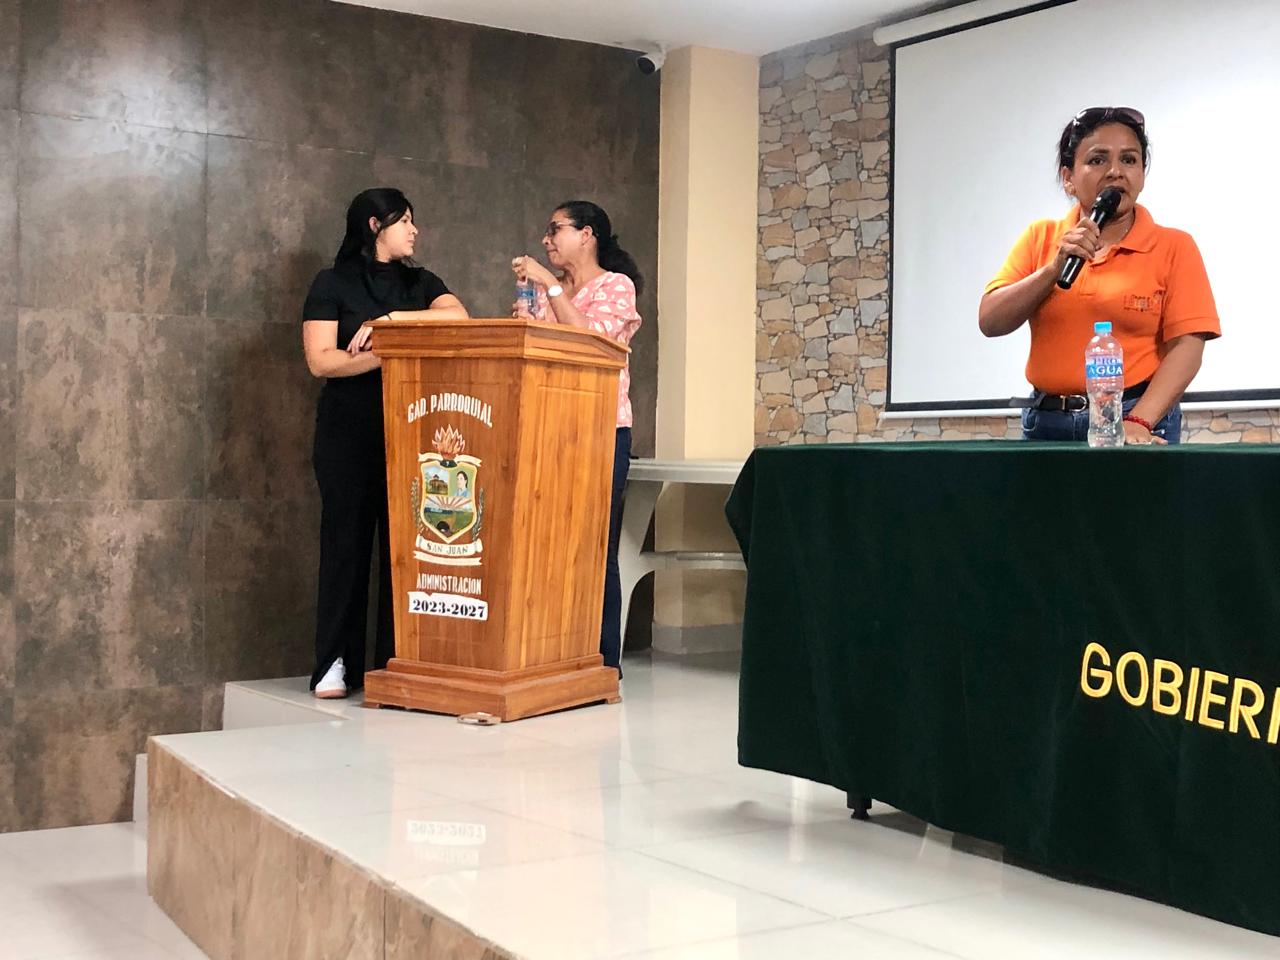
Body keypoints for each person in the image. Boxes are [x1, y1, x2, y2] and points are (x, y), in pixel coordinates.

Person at [301, 188, 469, 699]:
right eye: (405, 221)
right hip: (348, 433)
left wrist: (390, 325)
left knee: (406, 551)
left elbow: (458, 318)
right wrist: (387, 355)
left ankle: (397, 661)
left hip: (413, 433)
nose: (414, 231)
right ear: (376, 225)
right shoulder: (331, 283)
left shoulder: (421, 283)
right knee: (346, 547)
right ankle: (334, 663)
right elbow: (321, 361)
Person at [979, 107, 1220, 444]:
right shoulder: (1040, 237)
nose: (1115, 171)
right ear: (1068, 177)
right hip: (1047, 423)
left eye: (1129, 160)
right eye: (1097, 160)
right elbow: (991, 321)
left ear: (1142, 174)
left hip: (1135, 417)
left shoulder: (1174, 246)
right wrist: (1053, 269)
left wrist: (1139, 421)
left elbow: (1188, 346)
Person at [511, 200, 643, 674]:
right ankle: (551, 654)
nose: (546, 240)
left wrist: (549, 285)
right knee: (547, 542)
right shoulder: (543, 291)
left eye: (556, 230)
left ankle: (602, 662)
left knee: (594, 547)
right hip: (547, 428)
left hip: (600, 429)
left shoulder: (616, 286)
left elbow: (593, 342)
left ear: (587, 234)